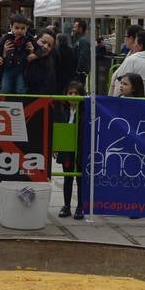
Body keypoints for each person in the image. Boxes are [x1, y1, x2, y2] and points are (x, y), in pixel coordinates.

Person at [57, 80, 87, 220]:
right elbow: (59, 129)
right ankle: (66, 205)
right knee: (67, 177)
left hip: (80, 149)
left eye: (76, 93)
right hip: (67, 148)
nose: (73, 96)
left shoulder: (85, 112)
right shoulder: (62, 111)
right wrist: (57, 148)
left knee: (80, 178)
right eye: (70, 93)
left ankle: (81, 206)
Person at [0, 15, 40, 95]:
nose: (19, 31)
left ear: (27, 28)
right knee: (5, 90)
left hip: (21, 70)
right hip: (8, 69)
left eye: (22, 28)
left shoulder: (29, 38)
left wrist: (35, 55)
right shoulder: (6, 37)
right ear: (11, 27)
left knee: (21, 90)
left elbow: (39, 49)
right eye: (17, 28)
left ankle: (22, 105)